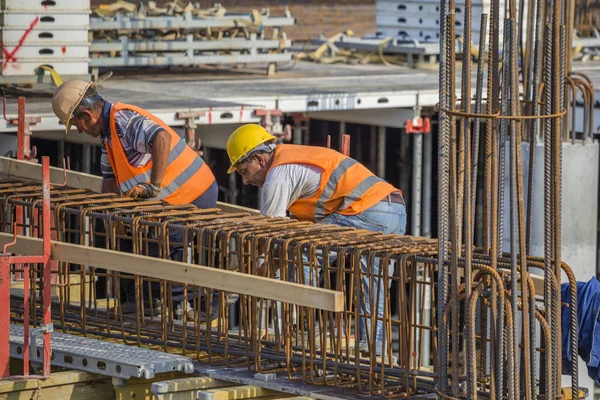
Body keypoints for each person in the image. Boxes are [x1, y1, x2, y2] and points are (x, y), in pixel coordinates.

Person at [225, 123, 407, 356]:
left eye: (243, 171)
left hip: (363, 210)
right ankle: (375, 348)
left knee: (304, 251)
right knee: (373, 280)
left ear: (260, 160)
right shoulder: (295, 159)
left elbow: (267, 232)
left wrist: (245, 265)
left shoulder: (278, 176)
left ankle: (304, 328)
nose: (244, 181)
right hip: (395, 209)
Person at [51, 80, 220, 318]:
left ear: (87, 115)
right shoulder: (108, 137)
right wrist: (109, 215)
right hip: (169, 200)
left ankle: (203, 301)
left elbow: (160, 138)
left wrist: (154, 185)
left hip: (190, 193)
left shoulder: (122, 121)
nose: (79, 130)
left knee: (158, 246)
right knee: (129, 239)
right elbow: (110, 180)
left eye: (76, 123)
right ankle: (148, 303)